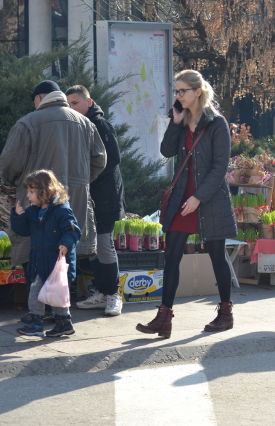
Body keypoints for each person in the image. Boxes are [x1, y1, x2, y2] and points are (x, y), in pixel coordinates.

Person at [136, 70, 237, 337]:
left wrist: (198, 197)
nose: (178, 96)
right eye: (176, 91)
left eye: (182, 91)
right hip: (183, 198)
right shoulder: (181, 121)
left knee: (217, 255)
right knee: (171, 257)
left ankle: (225, 313)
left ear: (198, 92)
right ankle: (163, 318)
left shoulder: (217, 123)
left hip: (209, 199)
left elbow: (219, 168)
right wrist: (176, 122)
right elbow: (166, 151)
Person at [0, 80, 106, 322]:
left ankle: (39, 316)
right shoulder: (86, 123)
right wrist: (80, 182)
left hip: (38, 210)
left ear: (38, 99)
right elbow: (100, 160)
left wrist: (17, 183)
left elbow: (9, 165)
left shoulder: (28, 123)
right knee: (63, 265)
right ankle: (60, 318)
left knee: (36, 262)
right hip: (74, 205)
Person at [66, 85, 126, 316]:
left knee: (103, 245)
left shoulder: (99, 124)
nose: (72, 107)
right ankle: (101, 293)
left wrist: (85, 176)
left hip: (106, 198)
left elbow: (113, 159)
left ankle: (113, 296)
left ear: (88, 102)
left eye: (76, 103)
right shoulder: (77, 127)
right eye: (68, 104)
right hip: (88, 198)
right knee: (91, 247)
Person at [12, 170, 81, 337]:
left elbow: (73, 231)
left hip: (56, 262)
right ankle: (46, 322)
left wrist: (65, 244)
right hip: (39, 261)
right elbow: (22, 230)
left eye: (31, 191)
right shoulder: (34, 211)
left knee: (54, 293)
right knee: (37, 291)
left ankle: (50, 322)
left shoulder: (61, 210)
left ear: (44, 191)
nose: (28, 195)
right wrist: (18, 216)